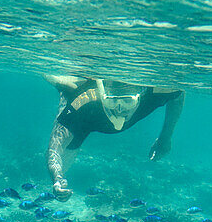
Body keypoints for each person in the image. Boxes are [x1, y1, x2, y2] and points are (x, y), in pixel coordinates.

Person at [44, 75, 184, 201]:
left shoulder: (151, 93)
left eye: (128, 102)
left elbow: (178, 93)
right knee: (69, 90)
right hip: (87, 117)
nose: (119, 109)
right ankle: (63, 87)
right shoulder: (85, 100)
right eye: (112, 101)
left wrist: (166, 136)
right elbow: (55, 147)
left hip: (93, 112)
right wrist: (57, 179)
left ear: (140, 96)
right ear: (102, 96)